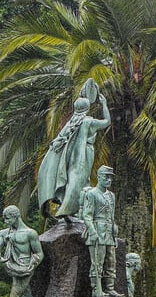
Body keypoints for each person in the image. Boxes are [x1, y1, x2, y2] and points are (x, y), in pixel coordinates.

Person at [36, 81, 111, 218]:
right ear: (87, 108)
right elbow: (107, 122)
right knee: (81, 179)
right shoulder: (89, 121)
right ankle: (72, 209)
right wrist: (104, 104)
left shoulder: (72, 122)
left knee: (73, 178)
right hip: (84, 153)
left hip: (70, 155)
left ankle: (71, 207)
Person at [79, 165, 122, 297]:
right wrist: (92, 232)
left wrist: (114, 232)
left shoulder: (111, 196)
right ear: (98, 177)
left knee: (111, 261)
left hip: (109, 231)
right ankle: (96, 289)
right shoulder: (91, 194)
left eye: (110, 177)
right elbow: (87, 215)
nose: (109, 180)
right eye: (106, 176)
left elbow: (112, 215)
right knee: (97, 261)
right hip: (97, 230)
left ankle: (109, 288)